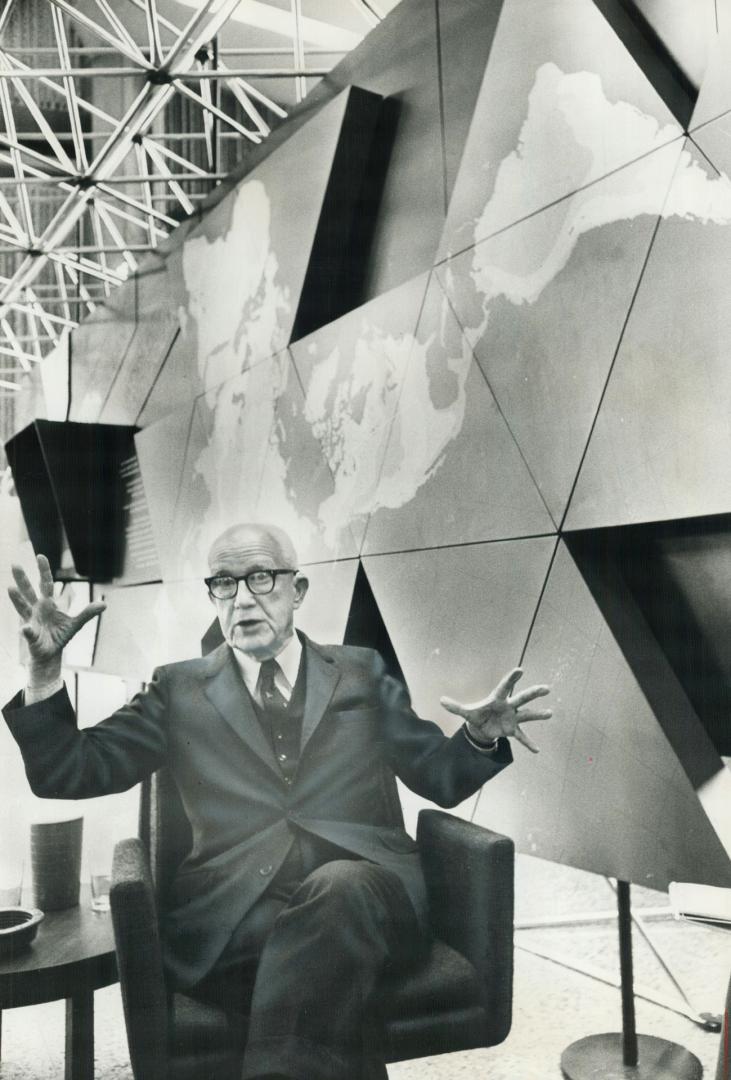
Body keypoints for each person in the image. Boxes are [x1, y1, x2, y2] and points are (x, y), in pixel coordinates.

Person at [4, 523, 552, 1080]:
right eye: (224, 583)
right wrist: (44, 673)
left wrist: (480, 737)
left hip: (368, 895)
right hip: (233, 922)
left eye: (261, 578)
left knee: (340, 890)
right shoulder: (178, 689)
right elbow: (69, 772)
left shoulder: (360, 670)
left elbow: (437, 775)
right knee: (324, 979)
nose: (242, 597)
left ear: (299, 591)